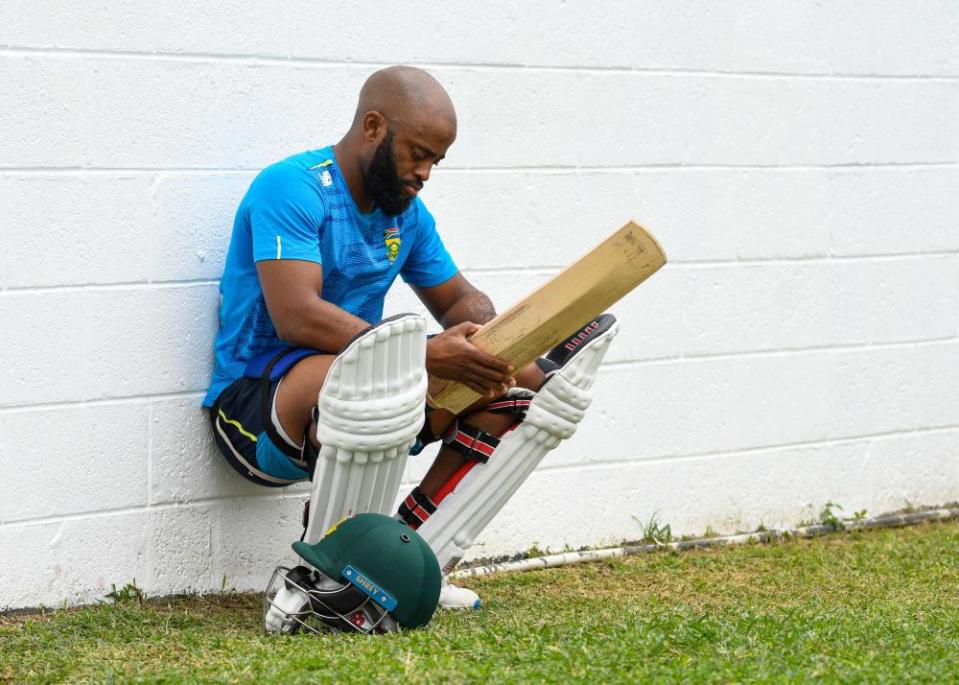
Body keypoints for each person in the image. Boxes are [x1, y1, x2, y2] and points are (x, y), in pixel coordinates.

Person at [203, 66, 548, 608]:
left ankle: (415, 562)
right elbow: (296, 316)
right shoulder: (293, 186)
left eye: (436, 160)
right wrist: (426, 354)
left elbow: (459, 300)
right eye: (418, 153)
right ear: (372, 126)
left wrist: (486, 335)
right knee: (359, 377)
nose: (426, 172)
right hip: (253, 408)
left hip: (368, 392)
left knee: (516, 383)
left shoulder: (404, 214)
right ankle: (326, 578)